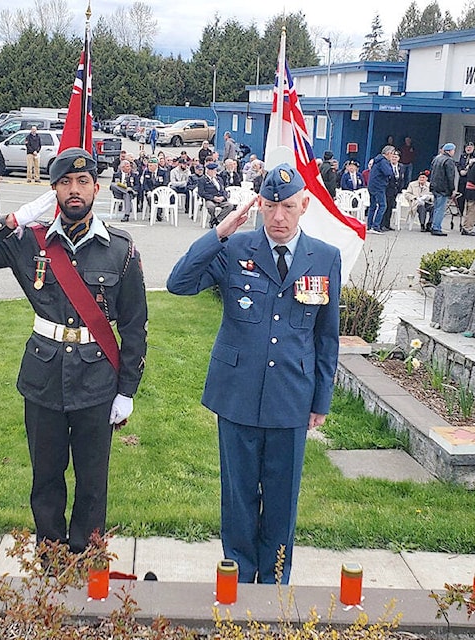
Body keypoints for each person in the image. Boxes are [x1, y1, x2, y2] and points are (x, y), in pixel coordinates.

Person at [0, 148, 148, 558]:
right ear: (53, 189)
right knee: (46, 479)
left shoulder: (121, 250)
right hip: (43, 378)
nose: (74, 191)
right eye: (65, 183)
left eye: (82, 182)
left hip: (96, 382)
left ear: (96, 187)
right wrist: (13, 220)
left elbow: (134, 326)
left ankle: (88, 557)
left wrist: (127, 390)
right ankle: (52, 559)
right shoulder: (27, 242)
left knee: (93, 481)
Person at [166, 163, 341, 585]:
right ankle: (239, 582)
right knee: (239, 497)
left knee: (282, 500)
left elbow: (326, 336)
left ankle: (275, 581)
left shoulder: (325, 257)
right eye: (270, 206)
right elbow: (178, 282)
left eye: (287, 207)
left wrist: (321, 400)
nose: (278, 216)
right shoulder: (234, 249)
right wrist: (220, 232)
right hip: (237, 394)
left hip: (290, 399)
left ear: (305, 205)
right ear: (258, 205)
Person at [428, 143, 458, 237]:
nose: (454, 152)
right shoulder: (449, 161)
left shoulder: (437, 159)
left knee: (436, 207)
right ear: (449, 151)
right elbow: (450, 176)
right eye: (453, 150)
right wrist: (452, 189)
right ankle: (436, 227)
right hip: (443, 188)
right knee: (440, 209)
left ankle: (433, 225)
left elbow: (431, 172)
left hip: (435, 187)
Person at [365, 145, 394, 234]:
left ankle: (369, 226)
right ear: (388, 153)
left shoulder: (377, 160)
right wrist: (391, 167)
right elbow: (388, 172)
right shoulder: (383, 162)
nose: (392, 156)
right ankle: (376, 226)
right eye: (392, 154)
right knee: (382, 205)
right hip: (379, 186)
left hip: (372, 185)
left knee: (373, 205)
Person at [197, 161, 235, 227]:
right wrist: (213, 197)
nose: (215, 172)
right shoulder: (202, 180)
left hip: (220, 199)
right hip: (210, 199)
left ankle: (217, 220)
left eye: (215, 170)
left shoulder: (219, 179)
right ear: (208, 171)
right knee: (210, 206)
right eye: (213, 170)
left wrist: (223, 197)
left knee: (230, 206)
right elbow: (201, 192)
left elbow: (223, 190)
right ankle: (213, 218)